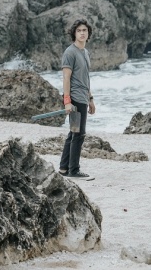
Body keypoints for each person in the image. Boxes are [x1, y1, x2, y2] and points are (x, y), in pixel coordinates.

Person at [59, 19, 96, 180]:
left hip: (83, 97)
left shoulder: (85, 52)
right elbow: (66, 78)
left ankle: (63, 168)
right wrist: (67, 101)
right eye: (79, 30)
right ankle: (74, 170)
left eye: (85, 30)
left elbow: (86, 78)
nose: (82, 33)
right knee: (78, 134)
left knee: (73, 133)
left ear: (88, 34)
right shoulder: (70, 52)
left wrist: (91, 98)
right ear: (74, 33)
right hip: (74, 98)